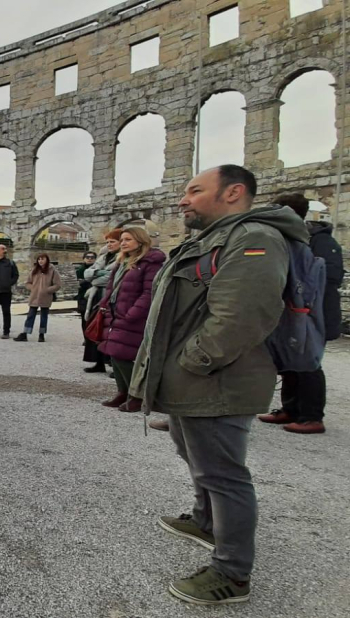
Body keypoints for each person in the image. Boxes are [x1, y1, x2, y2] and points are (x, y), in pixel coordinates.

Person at [131, 164, 309, 605]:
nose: (183, 199)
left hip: (216, 380)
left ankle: (232, 573)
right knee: (191, 450)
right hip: (193, 379)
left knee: (224, 473)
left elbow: (241, 316)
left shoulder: (253, 239)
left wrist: (193, 363)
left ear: (233, 193)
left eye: (194, 190)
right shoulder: (213, 238)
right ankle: (205, 521)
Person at [258, 194, 343, 435]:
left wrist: (304, 304)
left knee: (309, 364)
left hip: (316, 314)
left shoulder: (320, 241)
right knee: (290, 361)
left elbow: (329, 278)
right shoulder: (295, 239)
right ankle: (291, 409)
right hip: (298, 313)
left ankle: (312, 416)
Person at [96, 228, 165, 412]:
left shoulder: (150, 262)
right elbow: (112, 286)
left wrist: (133, 313)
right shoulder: (123, 261)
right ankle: (123, 391)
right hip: (115, 312)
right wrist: (104, 304)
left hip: (132, 316)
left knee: (123, 354)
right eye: (122, 239)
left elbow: (149, 292)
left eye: (128, 239)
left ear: (140, 240)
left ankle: (136, 395)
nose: (123, 242)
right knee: (113, 352)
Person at [82, 230, 123, 371]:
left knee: (111, 331)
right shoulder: (103, 257)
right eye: (107, 242)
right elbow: (87, 273)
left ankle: (114, 364)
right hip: (96, 297)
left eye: (112, 241)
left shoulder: (123, 258)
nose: (109, 245)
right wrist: (99, 274)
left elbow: (113, 277)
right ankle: (98, 362)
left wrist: (96, 276)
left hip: (111, 297)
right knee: (96, 328)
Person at [13, 254, 60, 342]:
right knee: (30, 315)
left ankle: (41, 334)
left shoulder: (53, 271)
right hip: (34, 296)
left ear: (47, 260)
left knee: (44, 316)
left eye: (42, 259)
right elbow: (27, 283)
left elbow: (57, 285)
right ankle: (25, 333)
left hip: (46, 297)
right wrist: (34, 288)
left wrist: (47, 290)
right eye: (39, 259)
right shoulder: (34, 270)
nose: (40, 261)